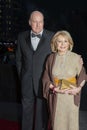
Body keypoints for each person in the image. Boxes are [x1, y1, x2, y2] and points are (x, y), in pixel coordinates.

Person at [16, 10, 55, 130]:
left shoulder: (52, 36)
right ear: (29, 22)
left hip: (43, 82)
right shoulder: (21, 37)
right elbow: (19, 59)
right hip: (26, 81)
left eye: (41, 22)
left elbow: (60, 56)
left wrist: (76, 60)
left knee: (42, 114)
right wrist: (22, 76)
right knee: (26, 111)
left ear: (43, 22)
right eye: (35, 22)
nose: (38, 25)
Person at [42, 30, 87, 130]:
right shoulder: (50, 58)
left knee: (71, 125)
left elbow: (83, 75)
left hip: (71, 97)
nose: (62, 44)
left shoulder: (76, 58)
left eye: (65, 41)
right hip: (56, 97)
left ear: (69, 43)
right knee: (57, 125)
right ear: (55, 43)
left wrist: (78, 88)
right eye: (59, 41)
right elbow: (45, 78)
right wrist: (53, 88)